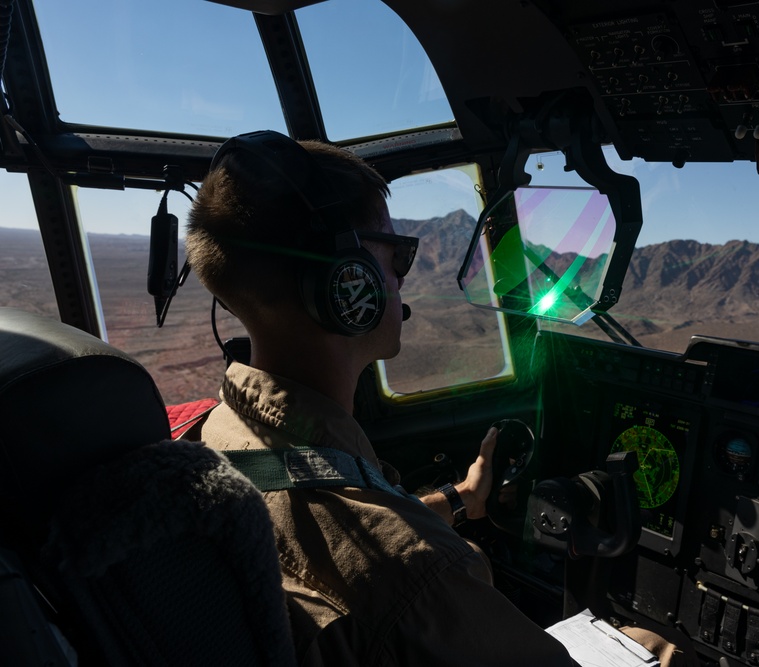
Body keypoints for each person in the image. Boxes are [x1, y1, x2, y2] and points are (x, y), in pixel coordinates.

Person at [184, 130, 680, 666]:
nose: (402, 279)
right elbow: (387, 557)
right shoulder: (423, 578)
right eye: (397, 256)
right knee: (655, 646)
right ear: (348, 283)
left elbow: (339, 534)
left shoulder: (215, 439)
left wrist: (462, 495)